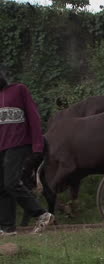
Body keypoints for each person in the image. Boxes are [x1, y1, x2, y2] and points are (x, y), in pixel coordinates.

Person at [0, 67, 54, 236]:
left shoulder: (19, 89)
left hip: (18, 143)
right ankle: (7, 228)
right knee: (2, 187)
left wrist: (37, 144)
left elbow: (33, 116)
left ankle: (42, 214)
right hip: (1, 146)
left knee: (10, 182)